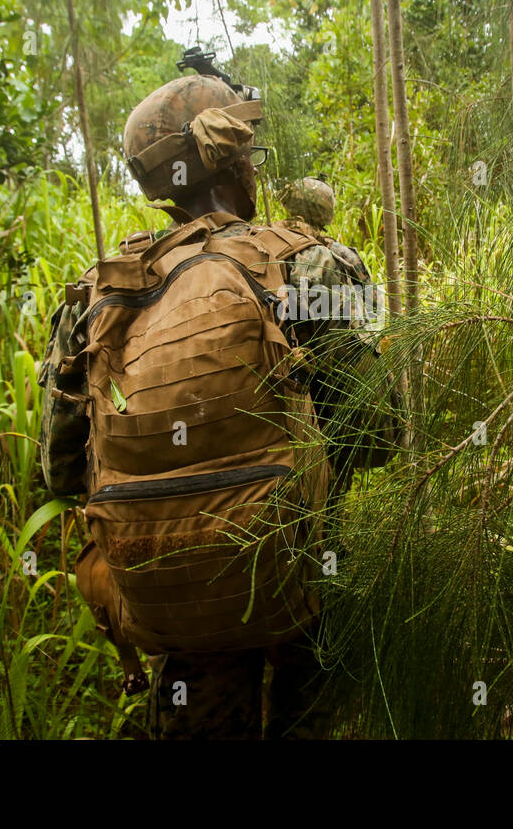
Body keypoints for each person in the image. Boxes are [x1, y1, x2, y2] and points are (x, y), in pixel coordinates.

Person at [38, 71, 398, 739]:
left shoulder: (94, 299)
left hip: (174, 604)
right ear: (237, 160)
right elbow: (376, 432)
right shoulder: (308, 266)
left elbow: (60, 473)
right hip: (305, 583)